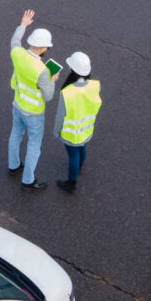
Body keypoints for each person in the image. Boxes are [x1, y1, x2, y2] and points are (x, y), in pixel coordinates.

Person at [8, 9, 58, 190]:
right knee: (33, 146)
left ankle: (13, 166)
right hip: (34, 113)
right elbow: (49, 96)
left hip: (18, 104)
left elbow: (14, 41)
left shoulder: (18, 54)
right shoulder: (43, 70)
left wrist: (23, 24)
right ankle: (28, 180)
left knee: (15, 134)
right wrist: (52, 80)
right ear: (44, 48)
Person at [52, 52, 102, 194]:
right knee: (82, 148)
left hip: (71, 133)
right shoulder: (95, 85)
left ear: (72, 70)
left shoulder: (67, 92)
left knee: (73, 155)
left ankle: (71, 183)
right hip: (86, 129)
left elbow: (60, 116)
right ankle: (80, 165)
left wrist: (56, 131)